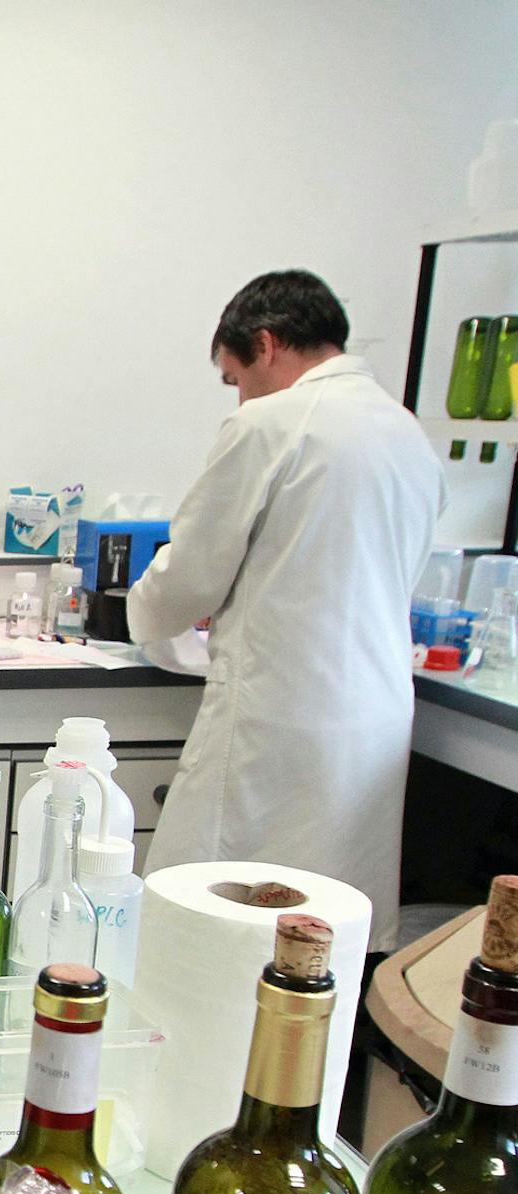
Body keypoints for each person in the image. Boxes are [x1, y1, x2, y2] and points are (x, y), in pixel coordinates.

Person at [129, 270, 444, 951]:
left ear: (266, 344)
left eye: (234, 376)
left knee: (213, 924)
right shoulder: (407, 432)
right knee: (330, 931)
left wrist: (140, 617)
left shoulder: (271, 423)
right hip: (376, 719)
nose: (238, 393)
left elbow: (189, 575)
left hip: (278, 721)